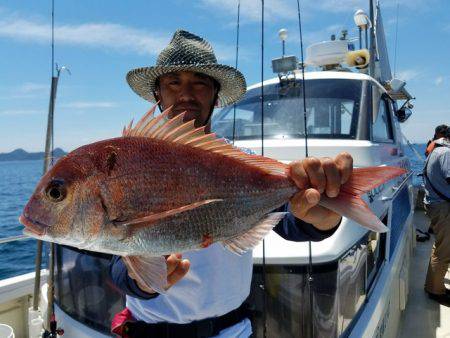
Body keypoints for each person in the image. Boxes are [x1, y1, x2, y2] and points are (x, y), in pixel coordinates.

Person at [109, 30, 353, 337]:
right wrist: (140, 279)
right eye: (173, 82)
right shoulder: (129, 165)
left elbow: (289, 221)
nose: (186, 93)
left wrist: (322, 219)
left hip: (231, 331)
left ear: (214, 94)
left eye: (200, 82)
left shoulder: (243, 163)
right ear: (158, 93)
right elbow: (115, 262)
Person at [423, 128, 450, 307]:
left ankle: (433, 285)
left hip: (435, 204)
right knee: (444, 251)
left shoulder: (435, 150)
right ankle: (435, 291)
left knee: (440, 246)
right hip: (443, 208)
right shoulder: (447, 153)